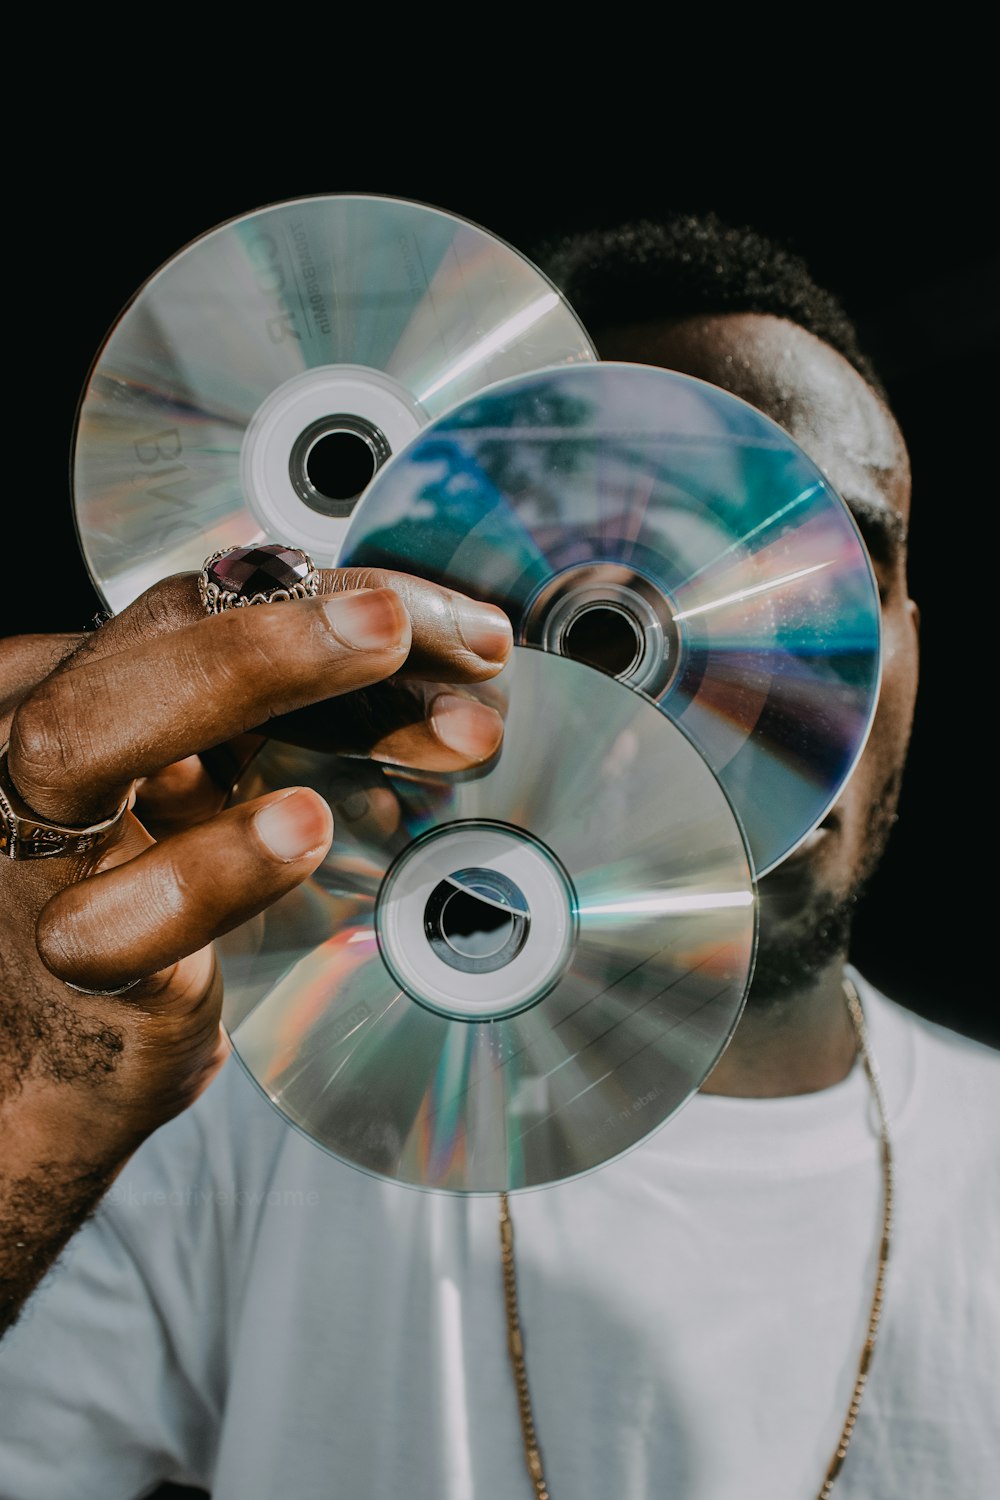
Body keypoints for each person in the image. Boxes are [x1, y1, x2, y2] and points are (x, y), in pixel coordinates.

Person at [1, 211, 997, 1500]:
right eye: (622, 596)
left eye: (832, 579)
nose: (747, 685)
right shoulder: (204, 1124)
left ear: (916, 628)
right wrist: (28, 1132)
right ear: (471, 633)